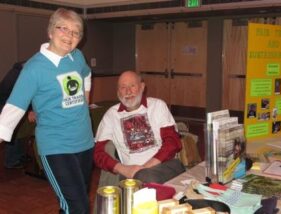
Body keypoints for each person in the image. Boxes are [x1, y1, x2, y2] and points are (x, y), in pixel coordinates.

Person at [0, 8, 94, 214]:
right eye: (64, 29)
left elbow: (87, 73)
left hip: (85, 142)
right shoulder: (34, 68)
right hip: (56, 146)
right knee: (78, 207)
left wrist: (86, 99)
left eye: (76, 32)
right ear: (50, 31)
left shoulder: (77, 57)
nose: (70, 36)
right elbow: (13, 108)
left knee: (73, 202)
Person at [93, 70, 185, 187]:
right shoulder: (111, 115)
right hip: (130, 173)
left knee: (145, 178)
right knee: (140, 180)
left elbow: (172, 142)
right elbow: (98, 153)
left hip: (164, 165)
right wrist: (123, 169)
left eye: (132, 86)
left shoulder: (157, 106)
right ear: (118, 92)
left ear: (142, 87)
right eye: (123, 87)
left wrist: (144, 168)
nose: (128, 91)